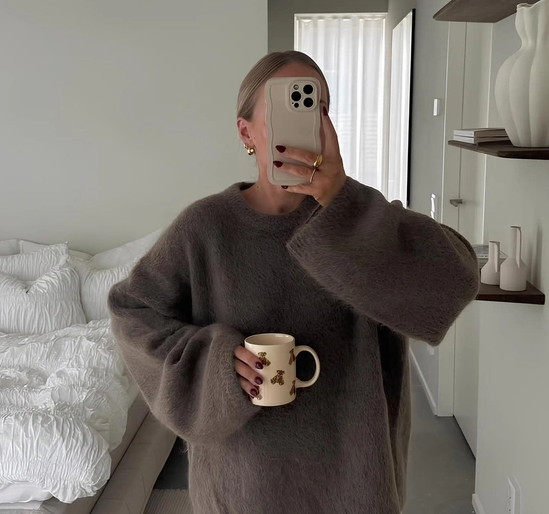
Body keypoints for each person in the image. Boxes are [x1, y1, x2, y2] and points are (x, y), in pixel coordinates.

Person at [108, 51, 479, 514]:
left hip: (355, 483)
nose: (309, 122)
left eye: (318, 108)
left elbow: (456, 280)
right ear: (247, 133)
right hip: (244, 486)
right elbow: (132, 312)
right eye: (289, 108)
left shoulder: (360, 219)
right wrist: (215, 363)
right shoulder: (205, 228)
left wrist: (342, 203)